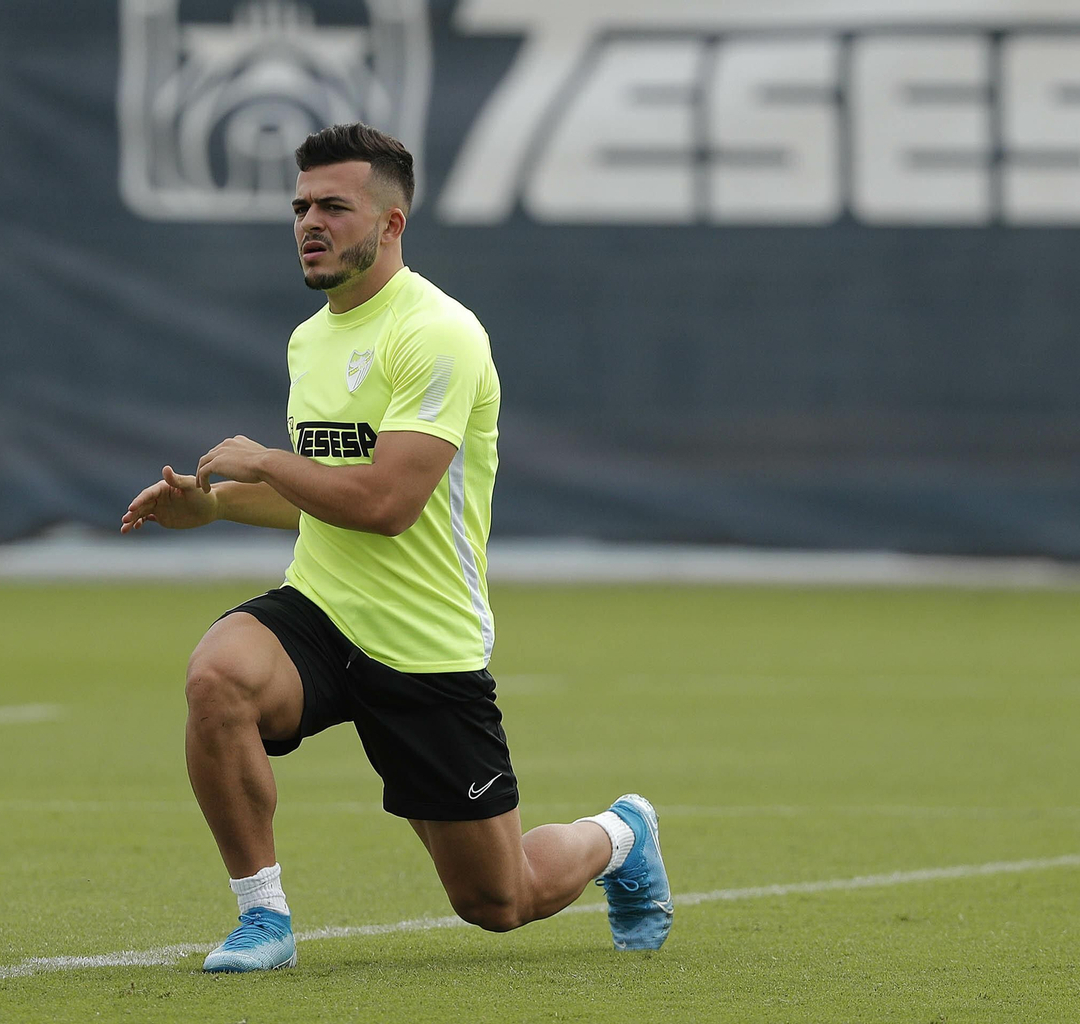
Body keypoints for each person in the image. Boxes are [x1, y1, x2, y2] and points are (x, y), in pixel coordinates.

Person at [120, 123, 671, 972]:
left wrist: (262, 458)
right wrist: (218, 506)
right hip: (322, 612)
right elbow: (321, 496)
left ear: (390, 224)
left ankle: (619, 835)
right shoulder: (310, 338)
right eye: (301, 205)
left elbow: (384, 503)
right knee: (216, 676)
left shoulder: (440, 333)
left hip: (425, 645)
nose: (311, 221)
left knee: (500, 901)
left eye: (334, 206)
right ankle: (263, 920)